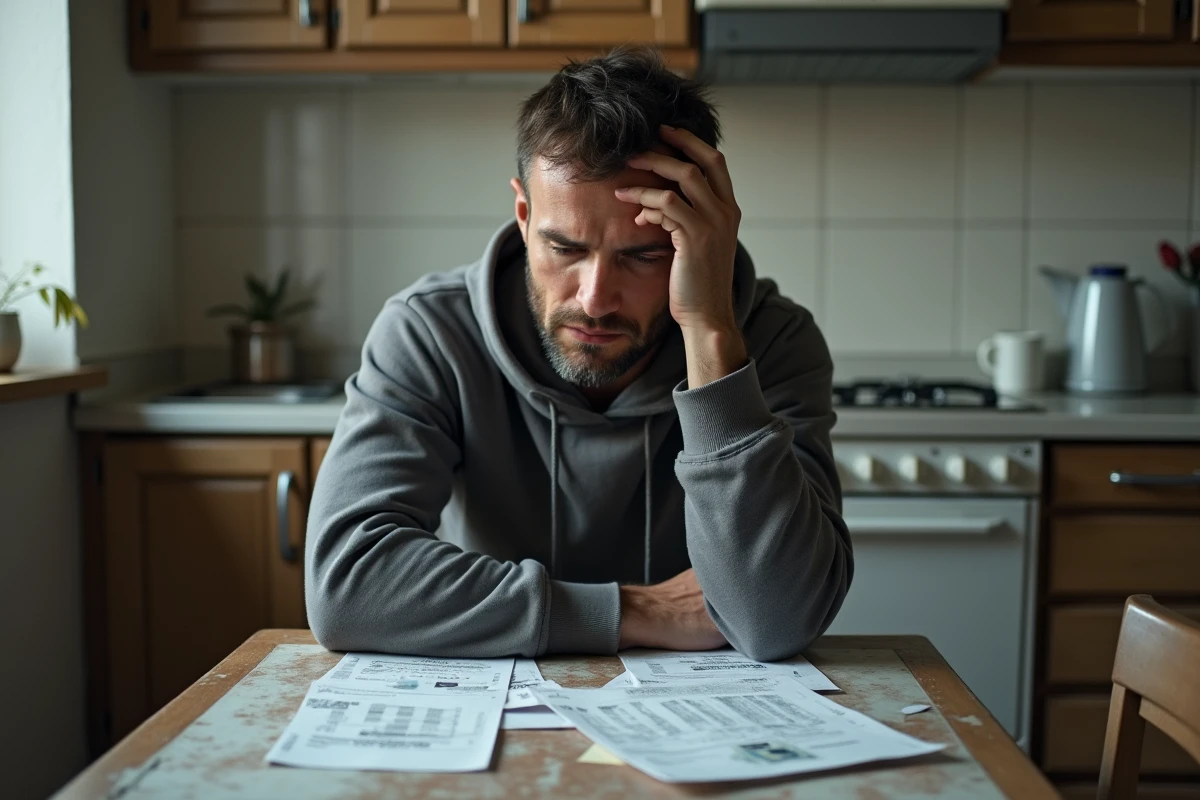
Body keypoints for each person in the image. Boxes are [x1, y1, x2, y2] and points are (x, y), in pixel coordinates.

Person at [306, 46, 851, 662]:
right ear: (522, 216)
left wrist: (708, 331)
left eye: (644, 255)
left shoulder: (773, 342)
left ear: (705, 241)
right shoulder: (428, 332)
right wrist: (637, 610)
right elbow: (347, 589)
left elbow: (776, 620)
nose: (594, 300)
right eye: (564, 248)